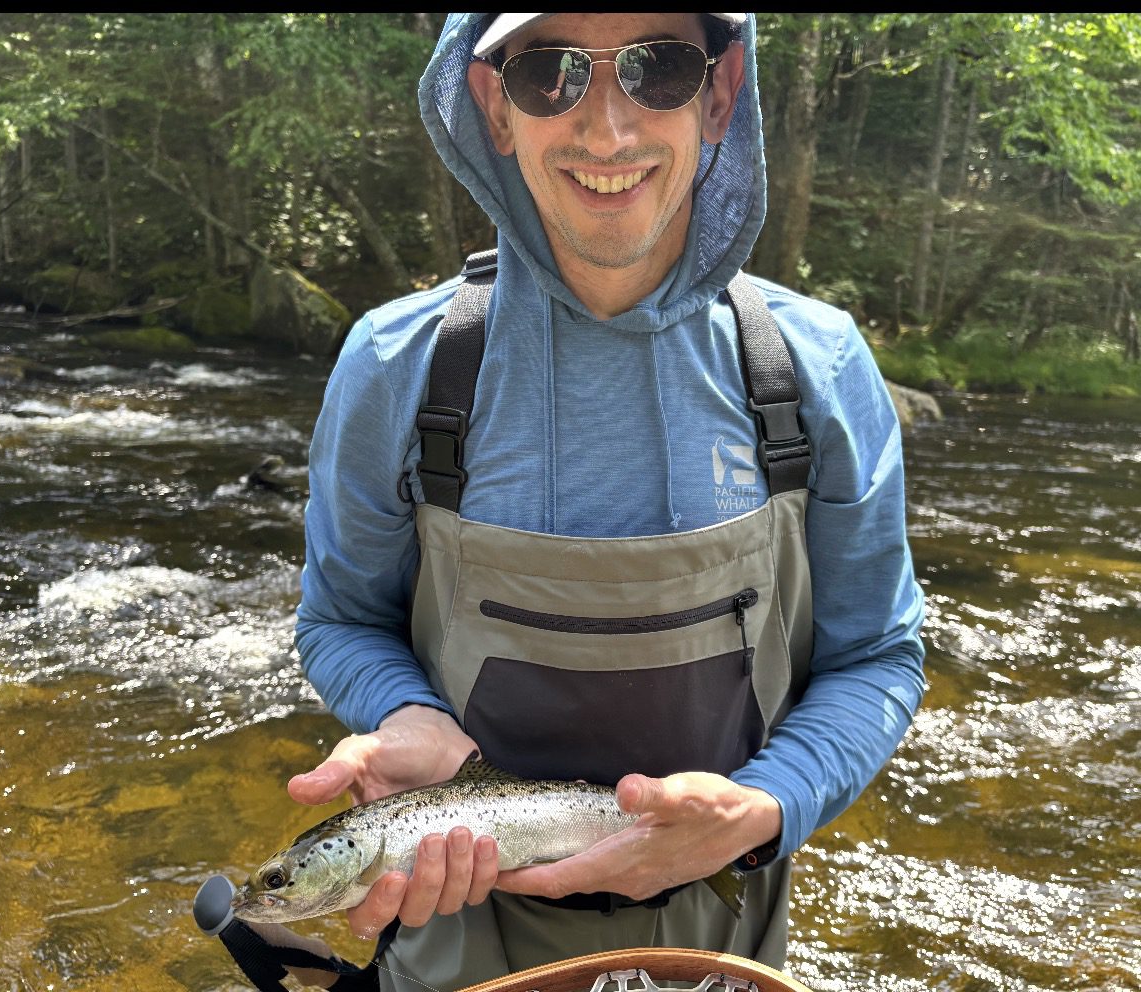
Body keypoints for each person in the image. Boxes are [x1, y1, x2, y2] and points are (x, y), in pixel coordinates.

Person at [288, 12, 926, 991]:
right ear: (493, 104)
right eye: (549, 73)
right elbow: (341, 621)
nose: (608, 129)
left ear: (719, 93)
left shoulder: (820, 369)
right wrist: (405, 711)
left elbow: (878, 656)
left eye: (656, 68)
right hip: (458, 939)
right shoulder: (395, 367)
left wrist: (763, 806)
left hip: (723, 944)